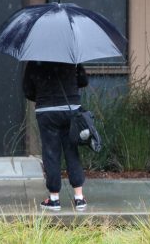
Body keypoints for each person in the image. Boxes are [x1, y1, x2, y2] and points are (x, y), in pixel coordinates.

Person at [22, 61, 88, 211]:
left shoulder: (35, 61)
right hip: (71, 109)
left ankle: (54, 199)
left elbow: (27, 90)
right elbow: (83, 81)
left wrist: (42, 96)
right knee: (72, 150)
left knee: (51, 152)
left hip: (47, 111)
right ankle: (79, 198)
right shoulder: (72, 57)